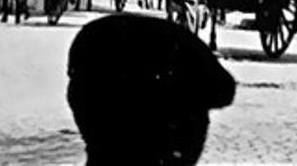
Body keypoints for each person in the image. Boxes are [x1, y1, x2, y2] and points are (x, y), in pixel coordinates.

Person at [67, 14, 236, 165]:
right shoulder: (191, 70)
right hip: (99, 72)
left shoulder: (189, 61)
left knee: (106, 152)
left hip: (92, 65)